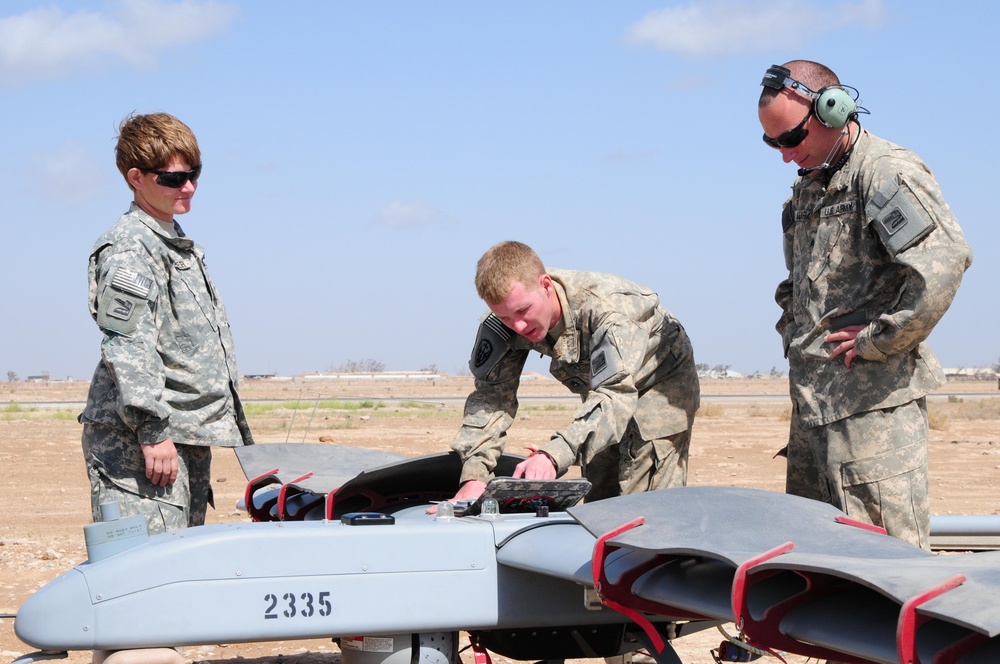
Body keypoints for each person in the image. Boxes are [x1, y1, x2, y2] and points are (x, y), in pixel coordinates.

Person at [757, 61, 972, 549]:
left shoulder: (885, 172)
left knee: (887, 565)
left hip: (872, 418)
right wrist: (794, 332)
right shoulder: (808, 188)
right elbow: (799, 283)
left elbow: (942, 264)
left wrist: (880, 340)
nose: (786, 156)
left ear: (832, 111)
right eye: (774, 144)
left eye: (791, 138)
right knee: (815, 567)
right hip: (814, 415)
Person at [79, 112, 254, 535]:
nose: (188, 186)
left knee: (181, 571)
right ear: (136, 178)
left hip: (183, 435)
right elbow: (128, 343)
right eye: (173, 178)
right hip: (143, 444)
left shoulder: (172, 242)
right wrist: (153, 432)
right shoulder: (129, 247)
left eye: (194, 174)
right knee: (143, 575)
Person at [434, 240, 700, 510]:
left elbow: (615, 397)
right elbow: (491, 399)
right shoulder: (503, 323)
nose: (518, 325)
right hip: (603, 389)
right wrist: (475, 475)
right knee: (601, 499)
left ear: (546, 286)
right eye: (505, 318)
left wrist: (552, 456)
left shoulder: (610, 312)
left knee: (641, 505)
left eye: (523, 311)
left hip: (660, 381)